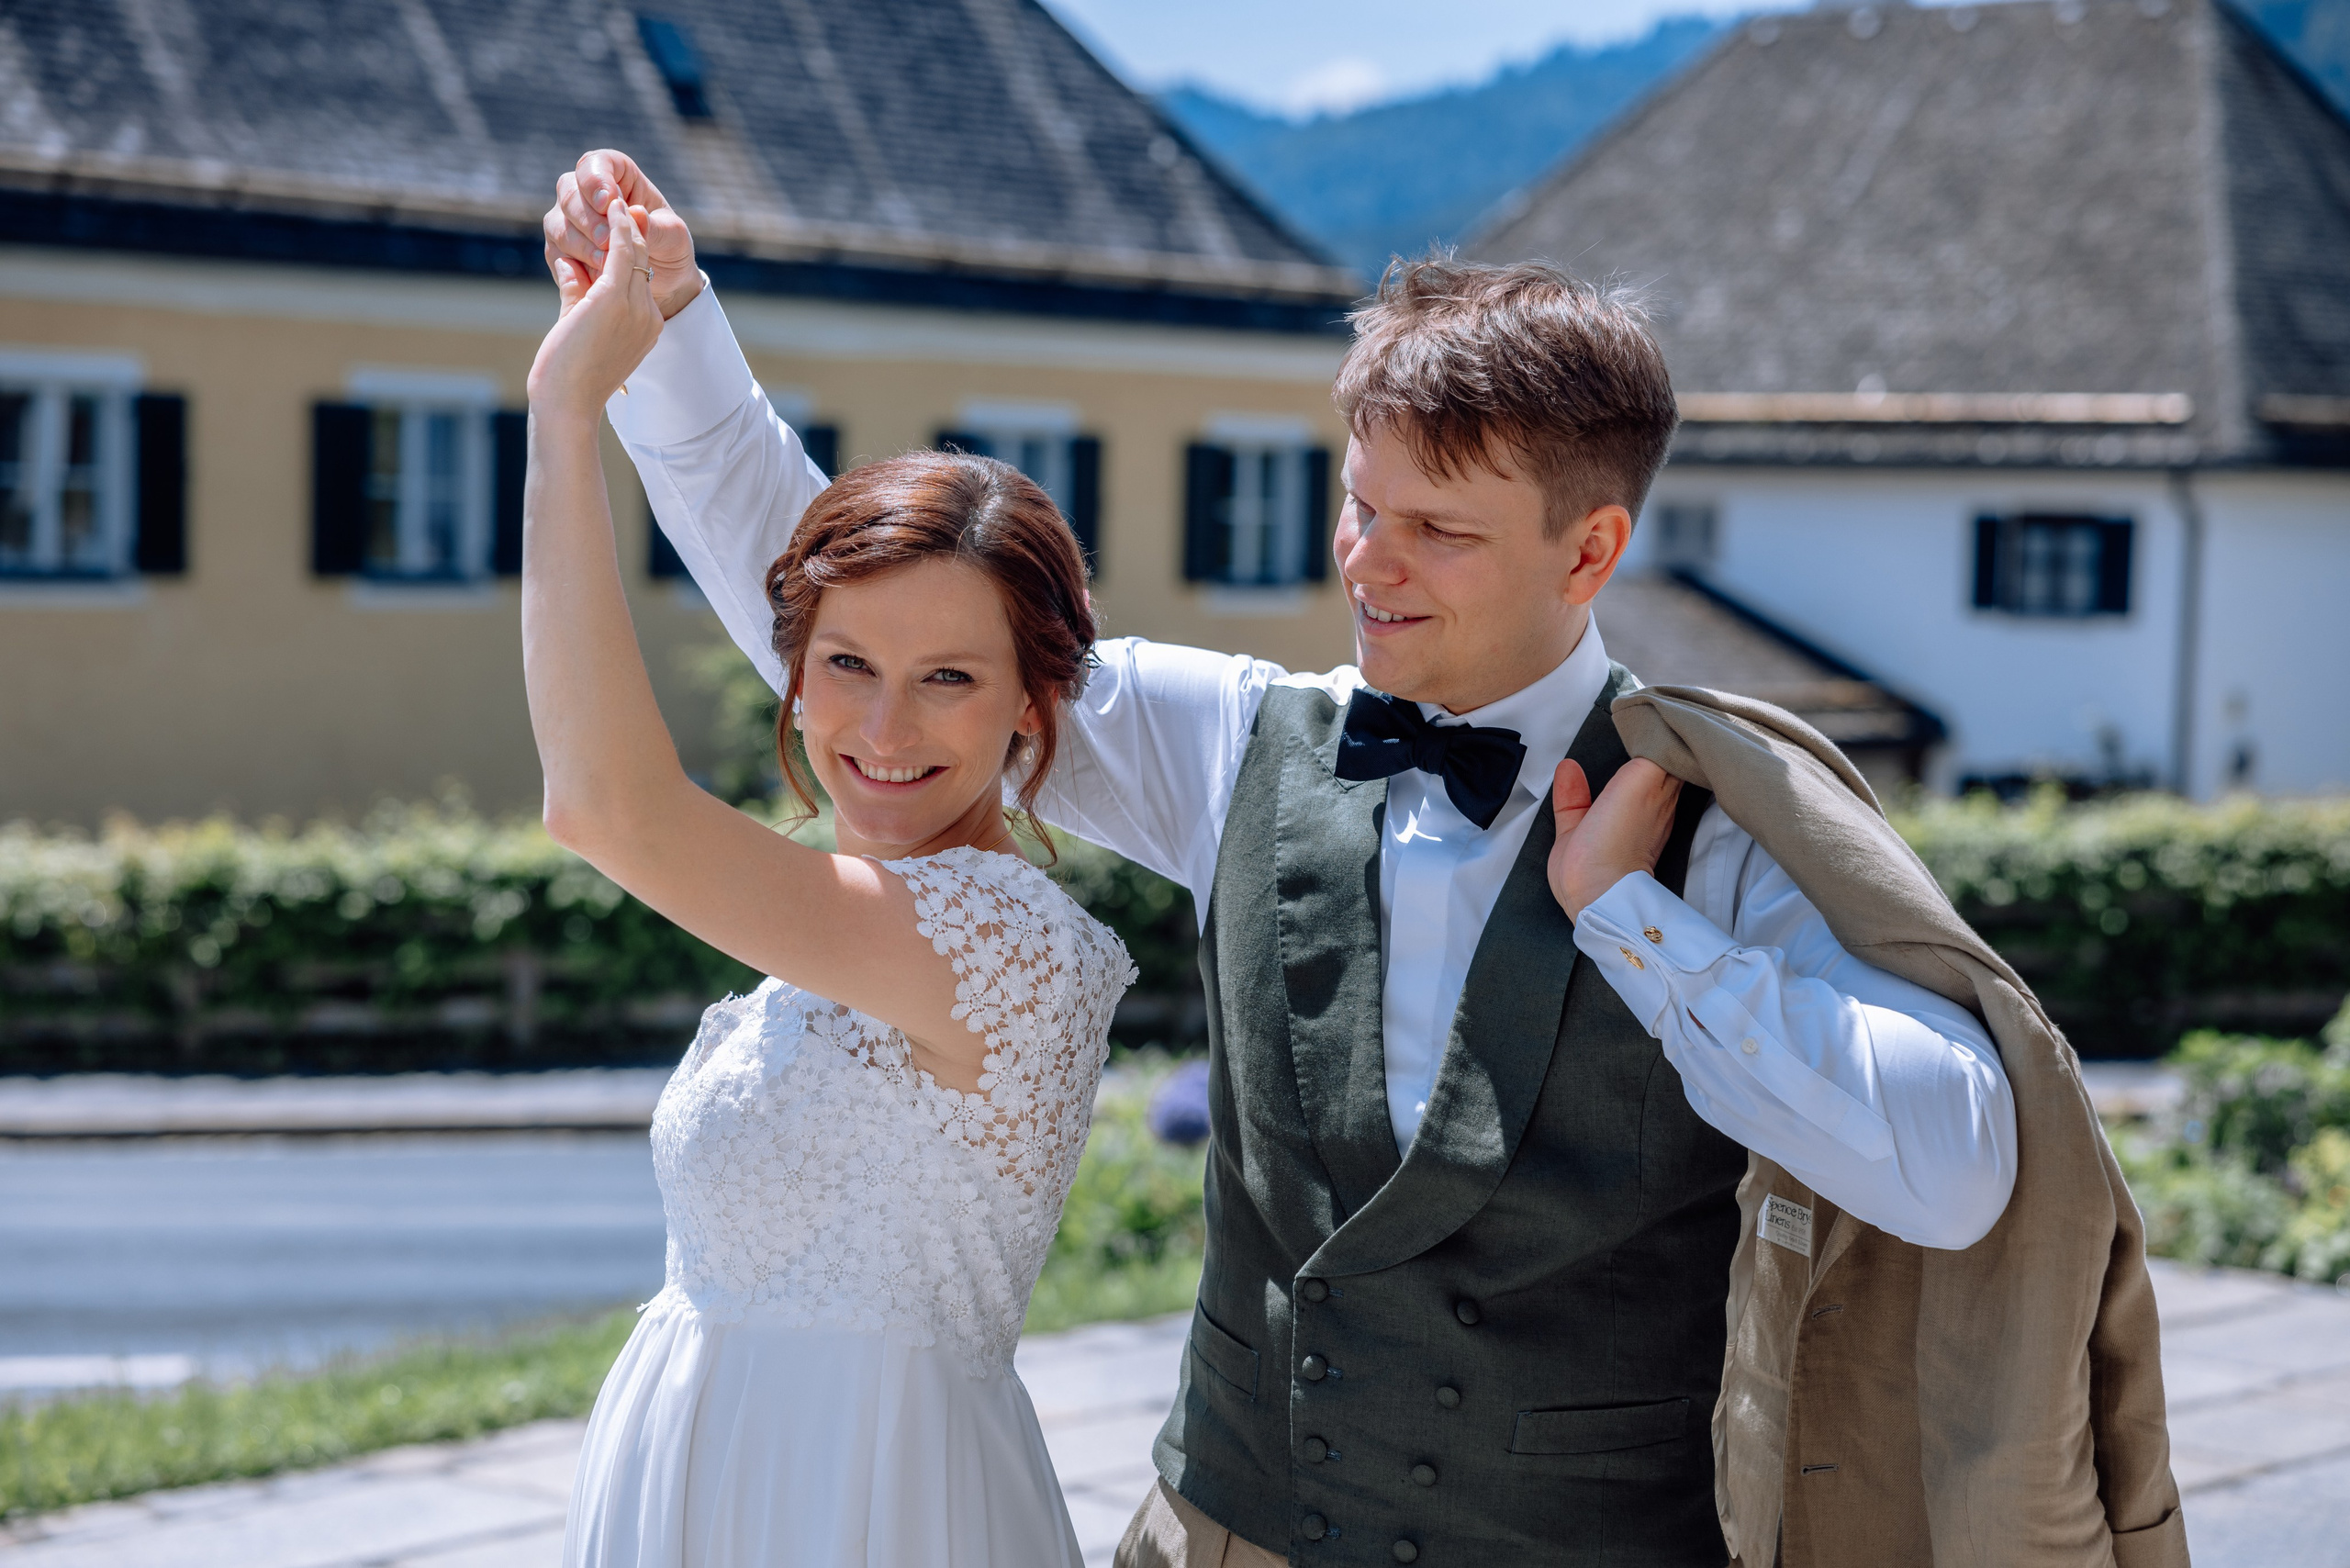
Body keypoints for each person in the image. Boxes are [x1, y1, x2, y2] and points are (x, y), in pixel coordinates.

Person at [543, 152, 2019, 1566]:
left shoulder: (1721, 819)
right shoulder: (1237, 738)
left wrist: (1635, 921)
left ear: (1590, 551)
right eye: (1361, 506)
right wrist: (673, 330)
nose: (1367, 563)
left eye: (1436, 530)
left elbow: (1956, 1169)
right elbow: (873, 631)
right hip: (1224, 1536)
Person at [523, 200, 1137, 1568]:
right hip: (706, 1484)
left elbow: (604, 807)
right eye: (848, 664)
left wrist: (565, 413)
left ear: (1031, 705)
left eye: (948, 678)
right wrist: (666, 319)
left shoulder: (1006, 941)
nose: (884, 727)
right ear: (793, 672)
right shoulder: (854, 916)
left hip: (869, 1506)